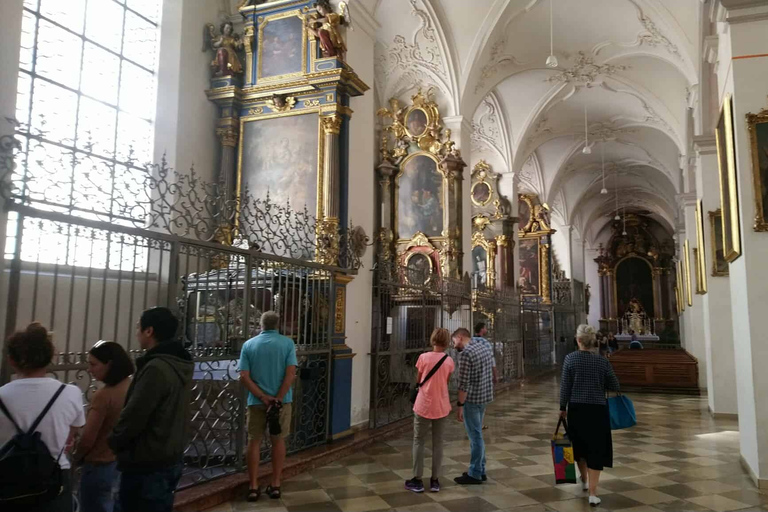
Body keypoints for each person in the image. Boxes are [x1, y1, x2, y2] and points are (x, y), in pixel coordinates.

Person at [108, 307, 193, 512]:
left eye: (139, 327)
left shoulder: (156, 368)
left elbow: (136, 414)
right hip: (168, 454)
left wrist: (115, 440)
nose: (136, 332)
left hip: (148, 461)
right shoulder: (178, 362)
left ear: (149, 331)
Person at [0, 323, 86, 512]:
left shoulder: (2, 395)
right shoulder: (70, 393)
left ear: (11, 360)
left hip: (7, 479)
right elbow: (70, 436)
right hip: (54, 480)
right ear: (50, 358)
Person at [559, 324, 620, 507]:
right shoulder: (602, 361)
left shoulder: (570, 359)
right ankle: (593, 493)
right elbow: (615, 385)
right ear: (593, 341)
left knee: (578, 446)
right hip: (597, 410)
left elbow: (565, 387)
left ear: (578, 340)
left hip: (577, 410)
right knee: (596, 448)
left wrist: (562, 408)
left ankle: (584, 480)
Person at [239, 311, 297, 502]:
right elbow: (290, 374)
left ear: (261, 325)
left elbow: (244, 376)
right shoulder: (287, 344)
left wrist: (263, 397)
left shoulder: (248, 345)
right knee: (278, 440)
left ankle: (253, 486)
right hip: (281, 402)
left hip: (256, 401)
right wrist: (278, 398)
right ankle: (275, 483)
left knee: (253, 441)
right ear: (278, 325)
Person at [77, 341, 134, 512]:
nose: (89, 369)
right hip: (122, 462)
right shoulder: (131, 386)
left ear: (109, 364)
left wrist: (76, 458)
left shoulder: (104, 396)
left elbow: (88, 438)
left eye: (93, 364)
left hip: (99, 465)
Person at [405, 328, 455, 494]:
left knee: (419, 440)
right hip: (441, 404)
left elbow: (419, 379)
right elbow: (446, 382)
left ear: (433, 339)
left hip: (424, 404)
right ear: (447, 342)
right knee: (438, 442)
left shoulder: (423, 357)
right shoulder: (449, 361)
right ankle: (435, 481)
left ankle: (417, 480)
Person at [452, 327, 495, 485]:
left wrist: (460, 405)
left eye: (454, 340)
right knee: (477, 435)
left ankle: (475, 473)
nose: (454, 344)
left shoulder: (466, 354)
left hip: (472, 400)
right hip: (484, 396)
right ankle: (480, 469)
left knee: (475, 436)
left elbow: (463, 384)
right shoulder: (483, 347)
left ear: (461, 337)